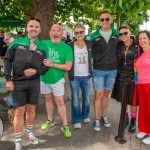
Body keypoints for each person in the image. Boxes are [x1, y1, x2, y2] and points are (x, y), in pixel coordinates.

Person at [4, 18, 49, 150]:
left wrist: (36, 71)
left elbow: (46, 67)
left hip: (34, 82)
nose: (34, 29)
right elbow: (7, 60)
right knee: (19, 111)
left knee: (31, 109)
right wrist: (8, 79)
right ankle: (18, 139)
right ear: (27, 28)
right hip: (18, 82)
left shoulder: (43, 47)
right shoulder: (17, 43)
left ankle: (29, 132)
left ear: (40, 30)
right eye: (31, 26)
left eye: (36, 27)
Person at [40, 23, 73, 138]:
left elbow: (68, 66)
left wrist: (52, 64)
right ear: (50, 33)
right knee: (48, 99)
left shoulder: (66, 47)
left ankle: (65, 125)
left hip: (57, 80)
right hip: (43, 78)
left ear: (62, 33)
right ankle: (50, 120)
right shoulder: (43, 43)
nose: (56, 33)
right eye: (53, 30)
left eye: (58, 30)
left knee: (60, 102)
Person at [90, 9, 119, 131]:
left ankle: (104, 116)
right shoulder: (93, 35)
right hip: (98, 70)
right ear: (99, 21)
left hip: (112, 69)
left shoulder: (117, 34)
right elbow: (88, 53)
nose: (105, 21)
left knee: (106, 94)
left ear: (111, 20)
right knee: (98, 94)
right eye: (102, 19)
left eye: (107, 19)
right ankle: (96, 119)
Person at [111, 26, 140, 143]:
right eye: (121, 34)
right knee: (124, 99)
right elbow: (116, 60)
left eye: (125, 33)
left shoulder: (137, 45)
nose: (123, 36)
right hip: (121, 75)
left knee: (133, 100)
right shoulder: (119, 45)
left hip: (134, 77)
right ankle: (125, 118)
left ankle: (133, 121)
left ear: (130, 32)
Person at [68, 23, 92, 129]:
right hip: (75, 77)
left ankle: (85, 115)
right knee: (75, 99)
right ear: (74, 33)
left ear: (84, 32)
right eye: (76, 32)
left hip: (86, 76)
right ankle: (77, 119)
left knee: (86, 98)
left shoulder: (89, 44)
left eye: (81, 32)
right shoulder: (70, 45)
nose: (79, 34)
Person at [135, 30, 150, 145]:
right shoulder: (141, 53)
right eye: (140, 39)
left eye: (144, 38)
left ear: (149, 39)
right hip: (141, 84)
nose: (142, 40)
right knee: (144, 108)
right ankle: (145, 129)